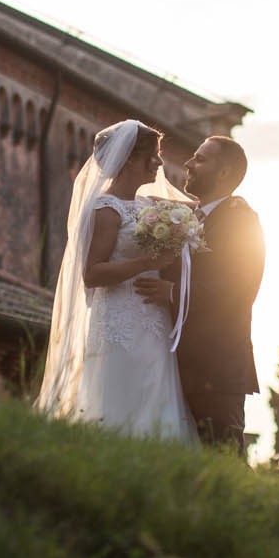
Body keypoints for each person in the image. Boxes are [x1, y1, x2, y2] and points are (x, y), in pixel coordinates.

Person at [34, 119, 196, 442]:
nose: (160, 163)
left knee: (156, 394)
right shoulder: (105, 209)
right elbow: (92, 274)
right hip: (119, 321)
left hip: (153, 320)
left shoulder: (149, 205)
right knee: (121, 400)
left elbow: (197, 212)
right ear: (130, 158)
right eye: (153, 155)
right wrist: (147, 263)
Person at [135, 136, 264, 456]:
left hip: (216, 366)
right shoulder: (187, 217)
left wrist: (174, 292)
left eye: (200, 159)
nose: (189, 165)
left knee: (222, 455)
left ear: (224, 174)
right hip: (172, 360)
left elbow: (240, 287)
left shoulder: (242, 219)